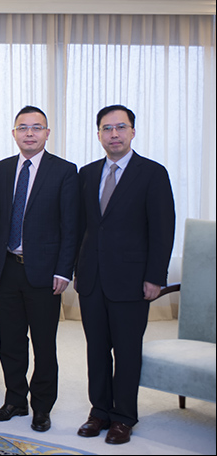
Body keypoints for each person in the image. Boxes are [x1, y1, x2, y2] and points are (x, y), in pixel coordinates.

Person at [75, 104, 175, 445]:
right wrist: (77, 268)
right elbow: (81, 227)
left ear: (133, 131)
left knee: (127, 351)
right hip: (92, 277)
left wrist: (155, 277)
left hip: (132, 279)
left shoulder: (152, 173)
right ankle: (99, 411)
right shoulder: (87, 174)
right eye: (107, 128)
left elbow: (163, 229)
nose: (114, 134)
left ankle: (123, 417)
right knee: (96, 349)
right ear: (98, 134)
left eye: (120, 127)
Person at [0, 106, 79, 432]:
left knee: (44, 344)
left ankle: (42, 407)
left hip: (45, 273)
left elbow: (71, 226)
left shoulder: (64, 171)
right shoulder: (0, 170)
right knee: (10, 343)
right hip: (8, 269)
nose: (29, 133)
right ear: (14, 133)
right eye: (23, 127)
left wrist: (64, 271)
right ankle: (15, 400)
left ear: (47, 133)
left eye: (36, 127)